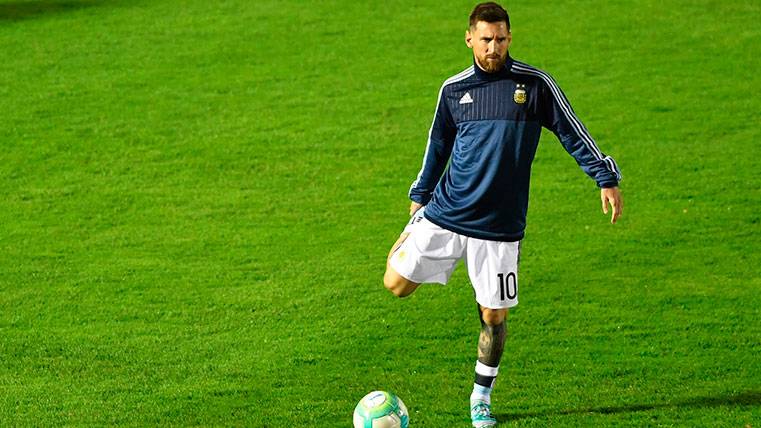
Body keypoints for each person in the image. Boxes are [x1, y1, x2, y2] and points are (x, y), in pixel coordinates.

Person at [382, 2, 623, 427]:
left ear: (510, 38)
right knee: (395, 285)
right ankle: (414, 232)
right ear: (469, 39)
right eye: (486, 39)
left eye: (500, 39)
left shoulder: (535, 86)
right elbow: (437, 146)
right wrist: (419, 198)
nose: (493, 47)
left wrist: (604, 176)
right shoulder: (453, 91)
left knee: (494, 316)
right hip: (447, 211)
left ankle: (481, 398)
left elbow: (570, 130)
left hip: (499, 226)